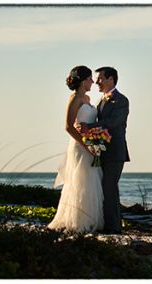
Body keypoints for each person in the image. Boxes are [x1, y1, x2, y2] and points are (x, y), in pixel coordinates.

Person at [48, 65, 104, 232]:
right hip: (80, 147)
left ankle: (91, 220)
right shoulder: (74, 99)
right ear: (82, 81)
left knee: (92, 181)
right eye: (89, 79)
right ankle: (78, 221)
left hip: (91, 144)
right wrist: (86, 145)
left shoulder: (87, 99)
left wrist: (95, 138)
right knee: (80, 181)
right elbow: (68, 126)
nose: (92, 82)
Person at [79, 66, 130, 234]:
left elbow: (113, 122)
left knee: (110, 189)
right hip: (101, 151)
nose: (97, 82)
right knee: (103, 189)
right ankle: (109, 224)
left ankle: (114, 227)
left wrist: (89, 127)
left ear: (110, 79)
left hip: (115, 152)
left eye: (100, 78)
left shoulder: (121, 100)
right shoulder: (101, 101)